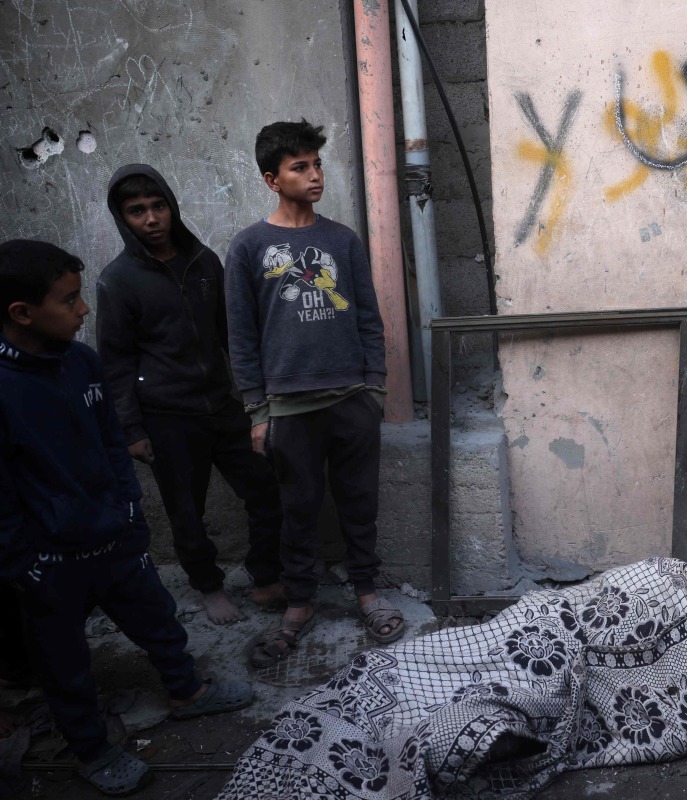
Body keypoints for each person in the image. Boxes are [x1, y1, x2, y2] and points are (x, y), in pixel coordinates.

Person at [0, 240, 255, 796]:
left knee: (158, 620)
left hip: (113, 538)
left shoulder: (82, 363)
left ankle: (186, 691)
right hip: (51, 559)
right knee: (64, 662)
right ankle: (91, 748)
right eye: (69, 301)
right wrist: (24, 563)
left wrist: (131, 514)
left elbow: (113, 446)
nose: (83, 311)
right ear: (22, 313)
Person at [224, 120, 405, 667]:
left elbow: (370, 319)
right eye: (300, 166)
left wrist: (373, 390)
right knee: (297, 508)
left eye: (317, 163)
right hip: (289, 409)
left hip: (350, 400)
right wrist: (258, 410)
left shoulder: (340, 240)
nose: (315, 174)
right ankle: (299, 603)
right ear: (271, 179)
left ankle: (368, 594)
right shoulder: (250, 247)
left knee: (359, 503)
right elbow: (241, 335)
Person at [96, 164, 286, 625]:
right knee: (186, 510)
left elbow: (232, 334)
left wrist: (256, 397)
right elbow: (115, 362)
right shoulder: (118, 280)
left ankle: (264, 575)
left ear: (171, 207)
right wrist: (132, 430)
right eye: (137, 211)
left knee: (264, 488)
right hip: (167, 416)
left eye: (158, 206)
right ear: (124, 219)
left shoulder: (204, 262)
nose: (152, 218)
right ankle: (209, 585)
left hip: (223, 405)